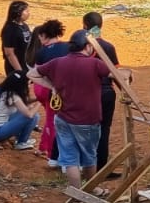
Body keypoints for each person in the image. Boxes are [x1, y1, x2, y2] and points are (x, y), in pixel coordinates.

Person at [30, 30, 111, 190]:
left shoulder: (58, 62)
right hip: (87, 120)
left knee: (69, 158)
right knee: (89, 157)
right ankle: (91, 188)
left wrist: (52, 86)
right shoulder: (94, 63)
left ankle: (77, 193)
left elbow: (32, 73)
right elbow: (114, 74)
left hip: (63, 118)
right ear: (88, 46)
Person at [83, 11, 124, 173]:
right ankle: (101, 167)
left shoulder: (81, 46)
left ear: (85, 25)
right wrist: (125, 93)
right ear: (101, 25)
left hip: (86, 94)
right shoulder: (108, 46)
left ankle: (85, 165)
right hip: (106, 92)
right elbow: (116, 74)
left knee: (85, 128)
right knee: (104, 129)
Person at [27, 19, 69, 166]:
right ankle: (52, 153)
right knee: (54, 120)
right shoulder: (68, 47)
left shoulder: (41, 52)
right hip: (57, 90)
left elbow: (35, 74)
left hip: (43, 88)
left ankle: (45, 147)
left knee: (51, 119)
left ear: (44, 35)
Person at [0, 74, 40, 149]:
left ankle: (19, 139)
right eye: (28, 84)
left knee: (20, 113)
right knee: (34, 116)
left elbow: (23, 101)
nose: (29, 86)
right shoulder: (13, 96)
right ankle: (21, 142)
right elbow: (29, 115)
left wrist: (38, 99)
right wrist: (40, 102)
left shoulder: (3, 92)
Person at [0, 0, 32, 82]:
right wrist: (20, 72)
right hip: (15, 68)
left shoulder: (24, 26)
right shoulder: (10, 29)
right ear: (18, 13)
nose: (29, 13)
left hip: (25, 66)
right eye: (26, 11)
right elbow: (9, 53)